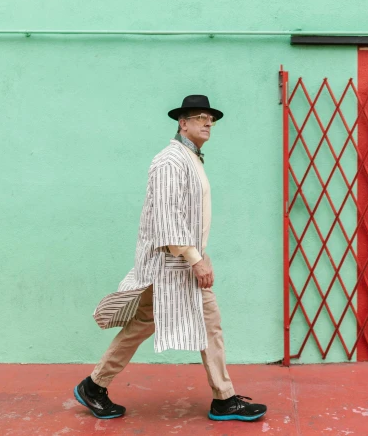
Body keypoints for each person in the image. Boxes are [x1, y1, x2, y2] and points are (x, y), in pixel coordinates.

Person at [74, 95, 267, 422]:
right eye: (201, 117)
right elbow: (167, 217)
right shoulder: (169, 161)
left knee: (202, 324)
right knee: (160, 326)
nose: (208, 123)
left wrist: (201, 255)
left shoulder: (190, 158)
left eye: (211, 119)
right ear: (183, 123)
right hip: (167, 268)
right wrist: (195, 259)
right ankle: (95, 385)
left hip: (181, 265)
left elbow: (190, 216)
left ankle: (223, 398)